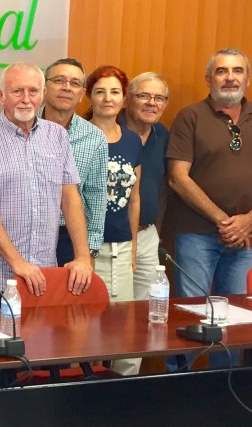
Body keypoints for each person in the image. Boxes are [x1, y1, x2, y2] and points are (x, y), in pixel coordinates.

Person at [0, 63, 93, 310]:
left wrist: (83, 257)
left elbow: (70, 197)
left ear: (43, 95)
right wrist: (18, 263)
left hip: (44, 276)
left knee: (39, 348)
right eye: (17, 91)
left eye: (33, 91)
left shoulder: (58, 136)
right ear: (0, 96)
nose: (26, 99)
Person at [165, 48, 252, 300]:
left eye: (237, 71)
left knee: (239, 312)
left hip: (249, 236)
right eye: (221, 71)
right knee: (194, 309)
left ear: (248, 79)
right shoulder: (190, 117)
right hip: (196, 234)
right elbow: (178, 177)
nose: (230, 77)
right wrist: (226, 223)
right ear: (208, 80)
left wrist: (249, 221)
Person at [84, 65, 142, 376]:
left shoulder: (132, 141)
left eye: (115, 92)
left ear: (124, 99)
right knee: (88, 331)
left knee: (125, 330)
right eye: (100, 91)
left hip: (121, 245)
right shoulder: (75, 136)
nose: (108, 98)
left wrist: (132, 248)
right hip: (87, 249)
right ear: (89, 97)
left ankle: (123, 397)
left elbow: (134, 198)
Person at [41, 58, 108, 267]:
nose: (67, 88)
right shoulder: (23, 127)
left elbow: (96, 194)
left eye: (75, 83)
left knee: (64, 299)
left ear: (81, 94)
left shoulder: (94, 137)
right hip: (26, 231)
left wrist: (90, 251)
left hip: (69, 236)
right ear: (44, 88)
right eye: (59, 80)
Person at [121, 72, 171, 308]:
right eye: (144, 96)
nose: (152, 103)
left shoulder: (163, 135)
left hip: (148, 234)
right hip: (113, 237)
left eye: (159, 98)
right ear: (127, 99)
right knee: (115, 310)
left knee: (147, 307)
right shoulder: (110, 130)